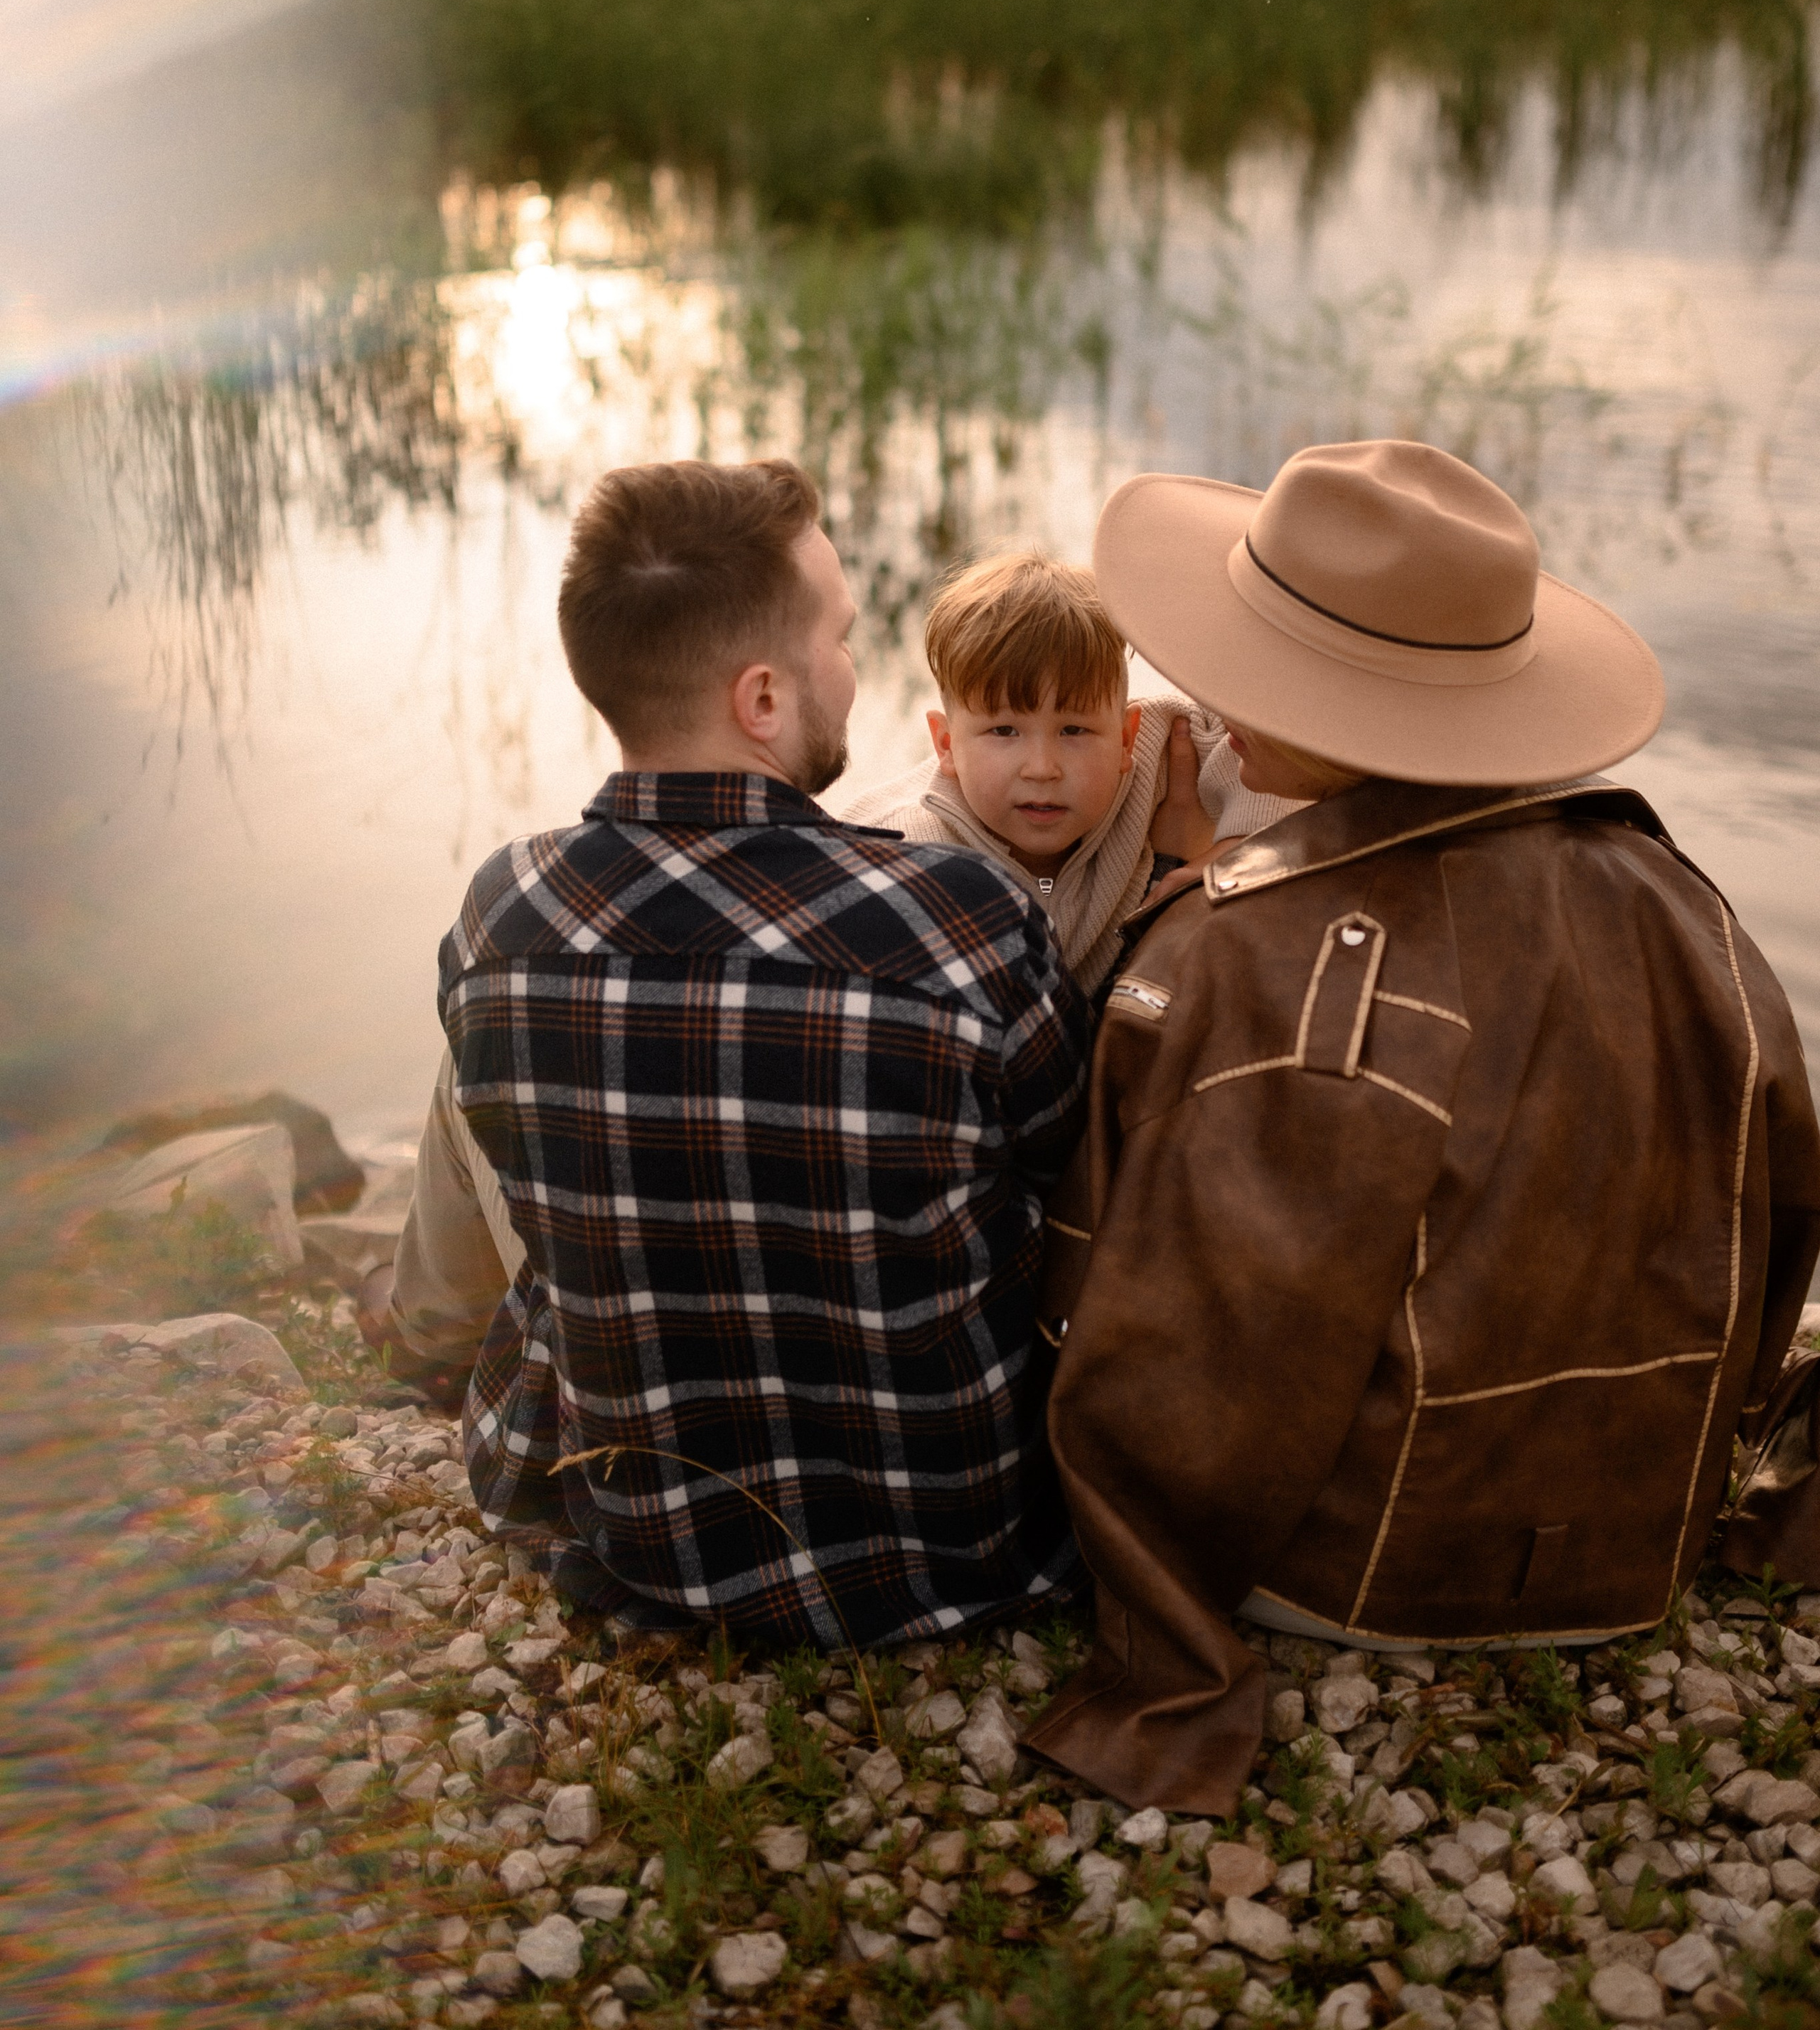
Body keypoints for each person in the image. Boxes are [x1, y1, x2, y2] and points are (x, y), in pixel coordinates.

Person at [1023, 438, 1820, 1812]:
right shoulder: (1685, 902)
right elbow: (1781, 1214)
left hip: (1349, 1569)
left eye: (1235, 691)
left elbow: (1184, 1353)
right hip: (1638, 1534)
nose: (1203, 712)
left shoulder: (1250, 953)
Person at [367, 456, 1092, 1644]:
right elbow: (1070, 1174)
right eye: (843, 640)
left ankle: (424, 1332)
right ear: (763, 698)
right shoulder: (959, 916)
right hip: (958, 1543)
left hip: (637, 1536)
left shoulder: (508, 908)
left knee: (497, 1082)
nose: (855, 674)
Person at [841, 548, 1305, 991]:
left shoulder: (1159, 756)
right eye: (1004, 732)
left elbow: (1274, 750)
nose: (1042, 769)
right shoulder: (899, 842)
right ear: (946, 744)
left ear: (1126, 738)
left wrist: (1231, 850)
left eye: (1074, 731)